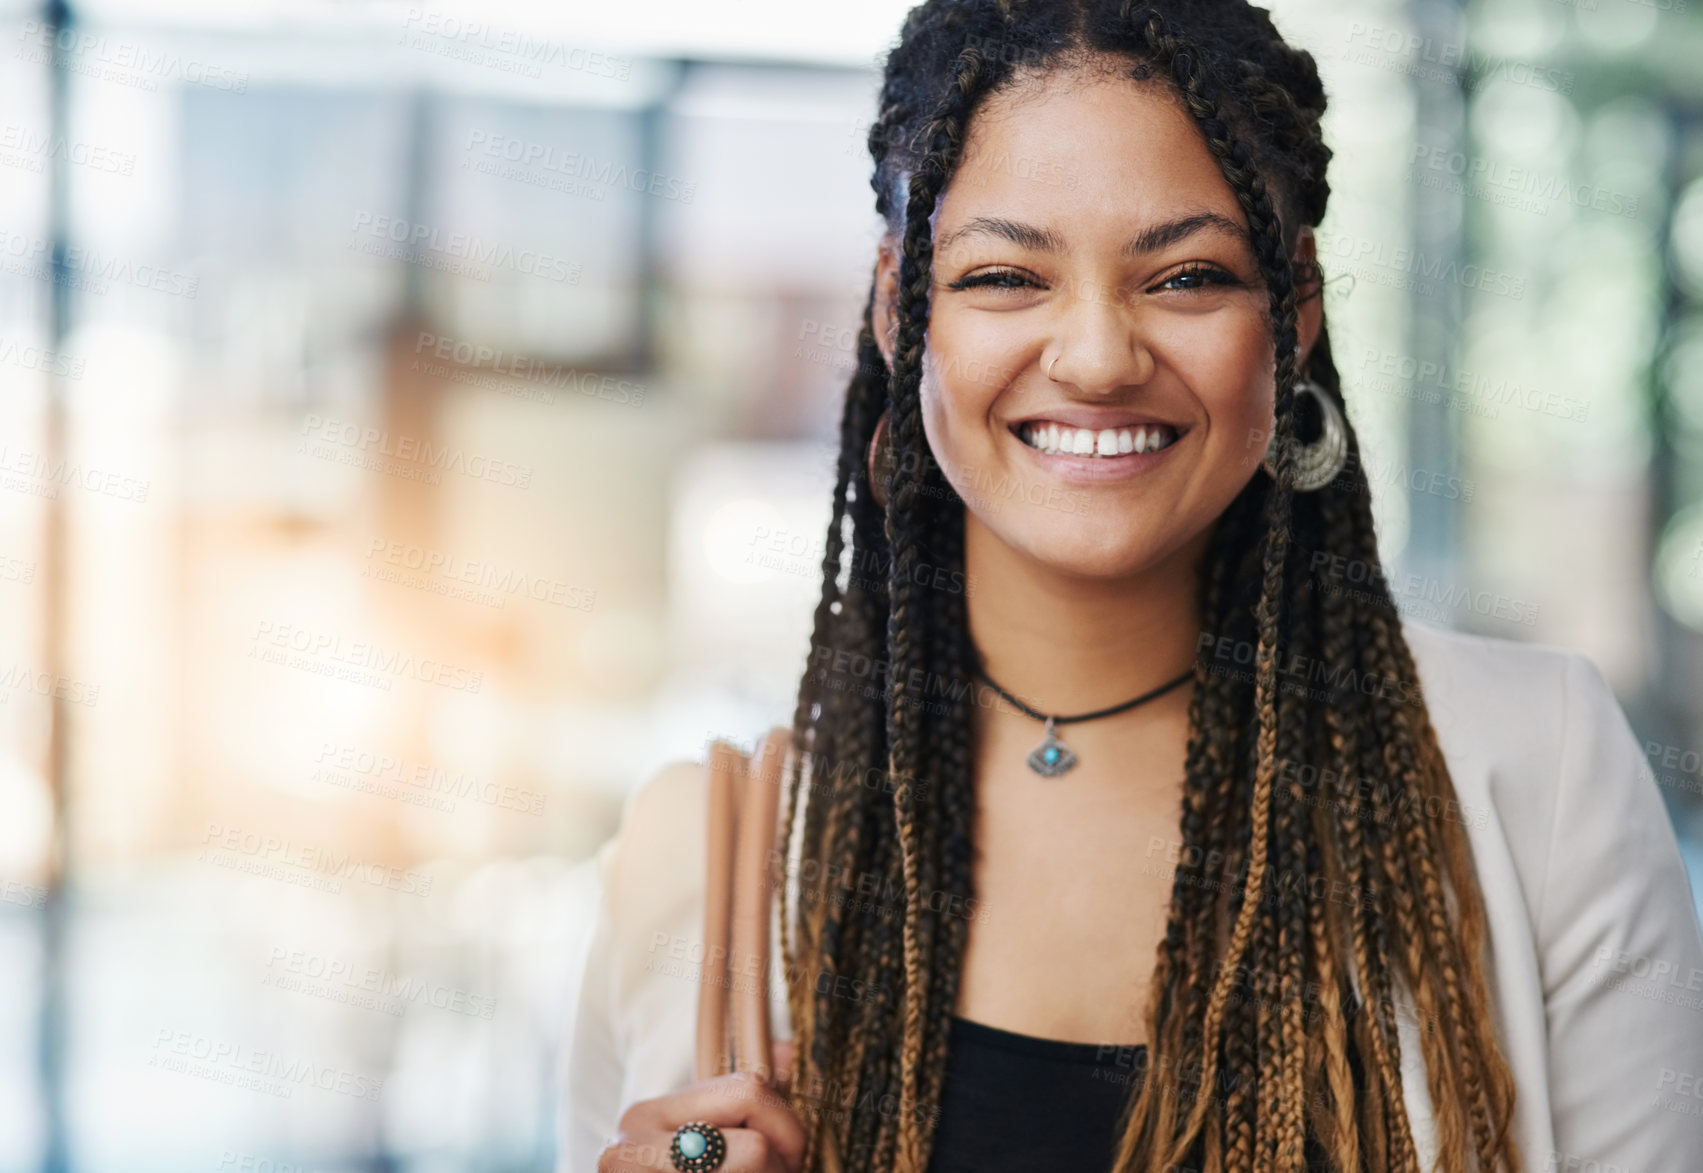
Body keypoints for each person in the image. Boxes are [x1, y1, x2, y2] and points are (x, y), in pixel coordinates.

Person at [563, 0, 1703, 1169]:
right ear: (898, 315)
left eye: (1186, 276)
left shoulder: (1539, 775)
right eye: (1006, 276)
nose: (1099, 357)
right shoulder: (701, 860)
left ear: (1293, 313)